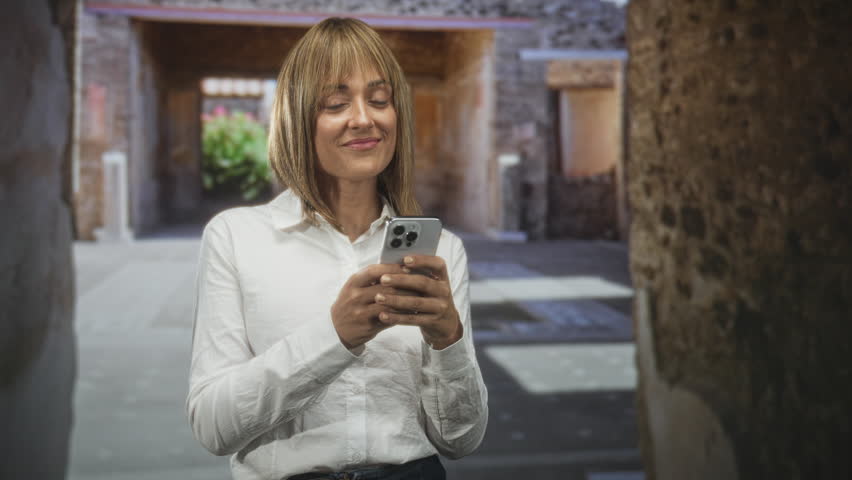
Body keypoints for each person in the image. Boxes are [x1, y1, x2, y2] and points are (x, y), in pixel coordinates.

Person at [186, 17, 488, 480]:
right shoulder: (236, 237)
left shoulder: (442, 251)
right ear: (297, 118)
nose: (364, 118)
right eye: (335, 102)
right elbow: (212, 426)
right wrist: (335, 335)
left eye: (380, 99)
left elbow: (460, 440)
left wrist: (449, 339)